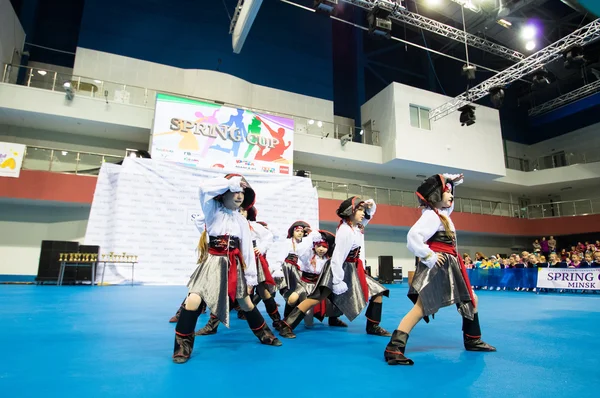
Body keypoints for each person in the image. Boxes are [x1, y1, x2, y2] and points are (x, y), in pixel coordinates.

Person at [384, 173, 496, 366]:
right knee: (422, 307)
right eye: (446, 192)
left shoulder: (441, 214)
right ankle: (394, 348)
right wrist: (430, 256)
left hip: (450, 265)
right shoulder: (431, 216)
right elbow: (413, 237)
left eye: (451, 192)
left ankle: (472, 338)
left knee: (470, 299)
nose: (451, 196)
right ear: (436, 196)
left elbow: (448, 205)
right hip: (439, 267)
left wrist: (451, 182)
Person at [172, 174, 281, 364]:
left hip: (235, 266)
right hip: (212, 263)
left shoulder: (241, 221)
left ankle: (265, 334)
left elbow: (247, 251)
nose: (239, 195)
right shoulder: (212, 210)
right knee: (193, 300)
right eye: (234, 191)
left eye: (242, 192)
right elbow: (203, 188)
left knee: (246, 303)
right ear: (223, 194)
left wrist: (250, 279)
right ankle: (183, 345)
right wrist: (230, 182)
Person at [278, 197, 391, 339]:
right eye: (360, 210)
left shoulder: (356, 227)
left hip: (354, 268)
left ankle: (372, 326)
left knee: (377, 292)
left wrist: (371, 205)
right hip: (339, 269)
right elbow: (337, 258)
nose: (363, 213)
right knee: (316, 298)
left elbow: (367, 218)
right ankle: (286, 325)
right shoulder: (345, 230)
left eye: (364, 210)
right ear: (350, 212)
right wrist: (337, 280)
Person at [195, 206, 283, 335]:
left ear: (248, 212)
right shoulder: (229, 224)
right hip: (236, 260)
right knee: (228, 293)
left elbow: (269, 235)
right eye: (238, 210)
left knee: (264, 292)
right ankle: (211, 325)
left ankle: (277, 321)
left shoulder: (252, 225)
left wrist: (261, 248)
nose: (240, 213)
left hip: (252, 261)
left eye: (243, 210)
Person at [285, 229, 348, 327]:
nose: (321, 249)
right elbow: (300, 251)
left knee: (336, 298)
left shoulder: (329, 259)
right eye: (319, 246)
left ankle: (334, 319)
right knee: (292, 300)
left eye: (324, 247)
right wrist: (310, 237)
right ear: (314, 246)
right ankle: (286, 318)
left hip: (321, 285)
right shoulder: (308, 255)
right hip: (304, 284)